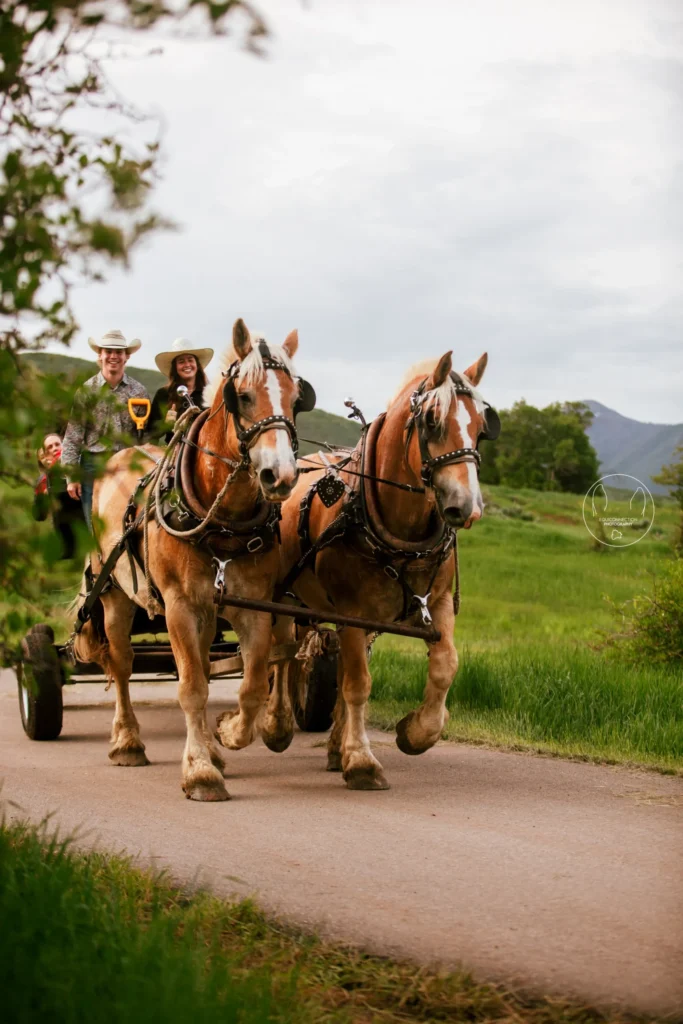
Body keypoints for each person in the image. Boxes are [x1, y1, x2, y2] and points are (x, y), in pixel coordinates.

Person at [61, 329, 149, 529]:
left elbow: (143, 434)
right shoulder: (86, 391)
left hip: (127, 464)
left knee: (127, 525)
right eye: (108, 351)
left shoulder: (139, 391)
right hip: (94, 465)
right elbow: (73, 437)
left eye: (119, 352)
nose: (113, 356)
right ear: (100, 355)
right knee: (96, 527)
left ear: (126, 356)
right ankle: (95, 561)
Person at [149, 337, 214, 443]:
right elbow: (150, 433)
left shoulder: (209, 393)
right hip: (173, 453)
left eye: (190, 360)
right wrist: (166, 424)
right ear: (175, 367)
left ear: (197, 365)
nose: (187, 365)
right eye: (181, 361)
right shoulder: (163, 394)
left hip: (204, 453)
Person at [33, 433, 85, 558]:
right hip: (65, 534)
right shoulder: (42, 481)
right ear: (44, 456)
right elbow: (39, 516)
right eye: (50, 447)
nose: (54, 448)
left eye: (57, 444)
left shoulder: (79, 465)